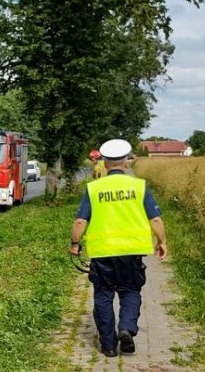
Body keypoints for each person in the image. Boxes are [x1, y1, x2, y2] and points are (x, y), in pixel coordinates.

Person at [69, 138, 168, 358]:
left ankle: (109, 346)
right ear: (126, 162)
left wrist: (75, 244)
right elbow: (156, 219)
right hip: (132, 253)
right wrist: (161, 242)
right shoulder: (138, 186)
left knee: (103, 296)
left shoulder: (94, 189)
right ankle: (126, 328)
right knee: (130, 291)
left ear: (104, 163)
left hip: (102, 253)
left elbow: (79, 222)